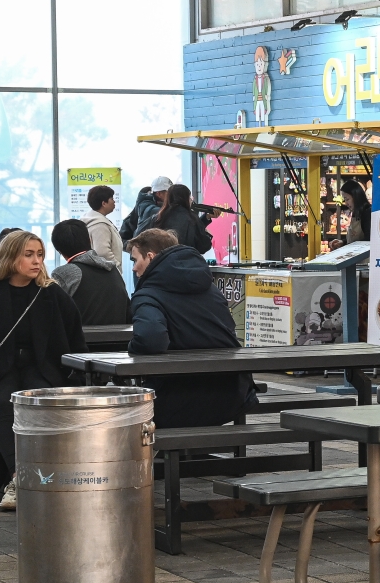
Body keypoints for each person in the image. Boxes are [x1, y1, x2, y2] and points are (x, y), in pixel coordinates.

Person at [0, 230, 87, 510]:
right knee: (1, 401)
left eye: (39, 255)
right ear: (10, 257)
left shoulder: (51, 293)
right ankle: (19, 478)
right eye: (28, 255)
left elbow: (76, 339)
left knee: (36, 400)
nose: (36, 261)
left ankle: (45, 476)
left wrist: (78, 377)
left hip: (42, 368)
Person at [127, 229, 255, 428]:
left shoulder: (148, 295)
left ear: (150, 257)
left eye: (135, 260)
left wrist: (132, 349)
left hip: (179, 395)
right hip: (233, 392)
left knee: (123, 414)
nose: (134, 268)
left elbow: (151, 338)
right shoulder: (209, 287)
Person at [50, 219, 130, 326]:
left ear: (58, 250)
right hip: (119, 339)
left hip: (83, 341)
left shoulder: (64, 273)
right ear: (91, 240)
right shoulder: (112, 269)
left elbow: (54, 315)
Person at [150, 183, 214, 255]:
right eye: (189, 197)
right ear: (185, 199)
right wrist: (207, 234)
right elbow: (203, 246)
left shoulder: (158, 218)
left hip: (162, 263)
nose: (191, 200)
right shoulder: (191, 218)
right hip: (186, 263)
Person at [120, 175, 170, 247]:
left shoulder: (143, 205)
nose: (170, 196)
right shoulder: (151, 209)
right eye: (168, 193)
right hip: (147, 254)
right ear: (159, 193)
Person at [81, 184, 123, 263]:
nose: (114, 201)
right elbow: (103, 253)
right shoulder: (99, 225)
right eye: (111, 198)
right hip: (108, 272)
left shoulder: (92, 219)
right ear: (104, 203)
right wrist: (116, 266)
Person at [332, 180, 370, 247]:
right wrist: (343, 242)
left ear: (355, 197)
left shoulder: (367, 213)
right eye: (344, 200)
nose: (346, 203)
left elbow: (368, 240)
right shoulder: (356, 212)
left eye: (347, 199)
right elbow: (355, 238)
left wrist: (349, 246)